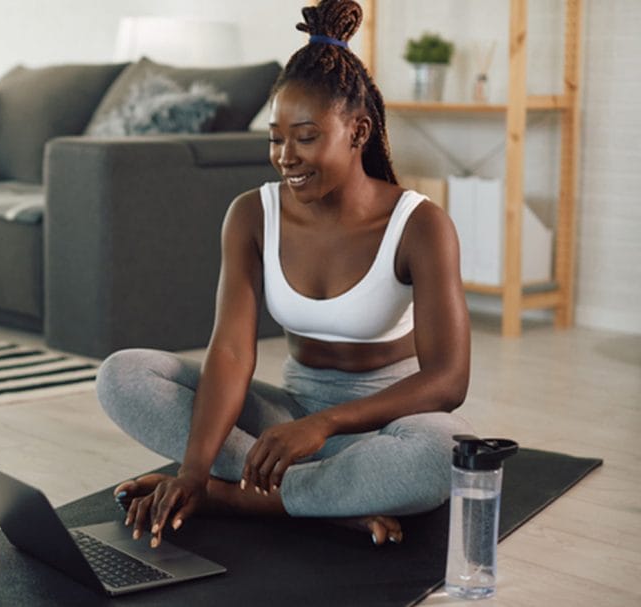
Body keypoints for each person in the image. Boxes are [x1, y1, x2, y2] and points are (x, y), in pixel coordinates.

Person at [96, 0, 474, 550]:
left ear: (358, 131)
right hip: (284, 421)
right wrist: (195, 471)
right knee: (122, 376)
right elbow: (230, 352)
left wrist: (324, 426)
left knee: (440, 455)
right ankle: (319, 501)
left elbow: (448, 381)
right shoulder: (252, 214)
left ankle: (240, 498)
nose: (285, 156)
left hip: (385, 427)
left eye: (305, 136)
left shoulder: (420, 224)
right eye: (276, 138)